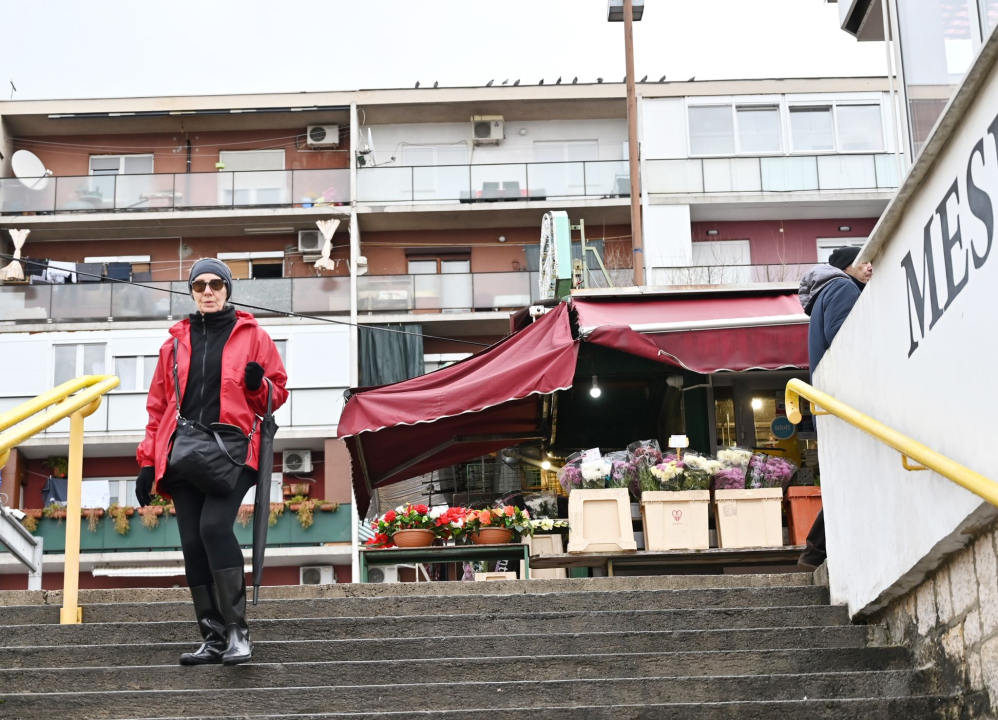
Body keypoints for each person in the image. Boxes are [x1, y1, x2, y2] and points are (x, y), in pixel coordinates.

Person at [135, 258, 288, 666]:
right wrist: (148, 462)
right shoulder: (173, 344)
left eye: (216, 284)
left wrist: (258, 384)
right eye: (199, 284)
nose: (207, 291)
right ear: (191, 291)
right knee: (190, 543)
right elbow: (158, 408)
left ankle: (239, 632)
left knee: (214, 527)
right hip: (182, 452)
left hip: (233, 451)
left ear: (227, 289)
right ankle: (213, 636)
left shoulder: (253, 335)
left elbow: (277, 394)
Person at [796, 246, 873, 569]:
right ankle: (815, 553)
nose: (869, 266)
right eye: (862, 261)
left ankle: (815, 555)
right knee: (859, 478)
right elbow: (846, 343)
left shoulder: (825, 296)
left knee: (850, 479)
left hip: (831, 402)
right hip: (846, 401)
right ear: (845, 267)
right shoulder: (842, 287)